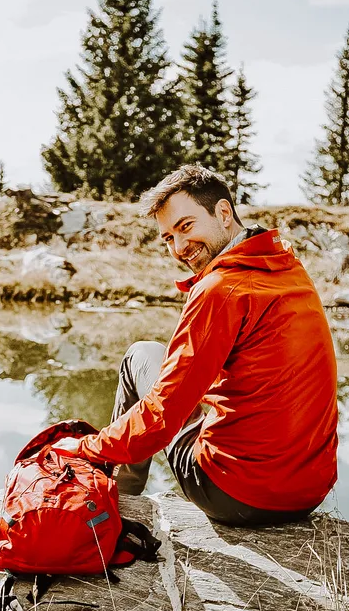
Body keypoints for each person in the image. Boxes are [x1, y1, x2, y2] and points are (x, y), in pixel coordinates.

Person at [56, 164, 338, 526]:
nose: (179, 247)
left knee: (140, 356)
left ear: (223, 213)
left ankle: (118, 499)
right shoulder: (286, 266)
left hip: (235, 494)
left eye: (185, 226)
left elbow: (161, 417)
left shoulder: (220, 289)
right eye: (168, 238)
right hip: (307, 493)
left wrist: (83, 448)